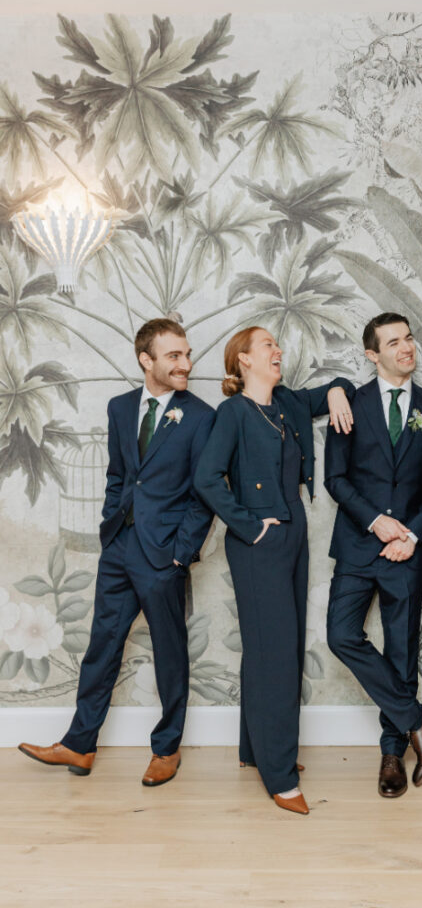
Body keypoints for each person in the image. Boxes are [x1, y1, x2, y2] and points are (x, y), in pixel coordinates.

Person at [19, 319, 215, 787]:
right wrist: (111, 526)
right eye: (174, 356)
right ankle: (80, 743)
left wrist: (180, 555)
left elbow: (205, 494)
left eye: (187, 354)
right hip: (120, 548)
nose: (186, 363)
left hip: (164, 555)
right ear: (146, 360)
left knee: (170, 653)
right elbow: (118, 475)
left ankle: (166, 749)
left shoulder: (203, 416)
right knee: (101, 646)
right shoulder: (120, 408)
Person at [193, 327, 354, 816]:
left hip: (295, 536)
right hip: (258, 543)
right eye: (267, 345)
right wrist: (248, 526)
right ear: (243, 360)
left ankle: (253, 750)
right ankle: (279, 775)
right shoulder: (233, 413)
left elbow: (334, 388)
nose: (277, 350)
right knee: (275, 656)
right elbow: (206, 478)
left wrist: (337, 388)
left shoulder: (286, 402)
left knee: (272, 648)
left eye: (276, 344)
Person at [325, 313, 422, 799]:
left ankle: (392, 752)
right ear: (373, 354)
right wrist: (377, 521)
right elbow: (336, 478)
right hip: (358, 543)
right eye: (393, 342)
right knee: (340, 634)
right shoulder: (348, 403)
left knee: (402, 652)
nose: (407, 347)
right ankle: (420, 718)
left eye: (409, 338)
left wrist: (412, 533)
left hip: (408, 550)